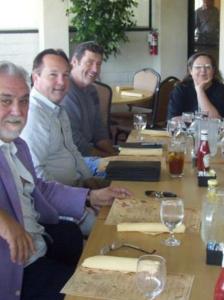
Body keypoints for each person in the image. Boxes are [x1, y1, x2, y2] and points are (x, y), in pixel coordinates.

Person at [0, 61, 131, 299]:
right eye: (6, 100)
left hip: (40, 246)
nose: (18, 111)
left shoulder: (16, 146)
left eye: (24, 101)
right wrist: (4, 221)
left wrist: (90, 196)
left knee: (122, 264)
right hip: (17, 271)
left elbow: (40, 189)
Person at [21, 48, 105, 187]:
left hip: (78, 185)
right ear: (36, 78)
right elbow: (37, 175)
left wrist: (89, 180)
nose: (61, 82)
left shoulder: (57, 109)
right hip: (61, 200)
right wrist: (84, 197)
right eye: (53, 75)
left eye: (65, 75)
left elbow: (72, 150)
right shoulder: (33, 115)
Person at [62, 41, 117, 157]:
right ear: (74, 62)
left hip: (88, 150)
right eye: (89, 63)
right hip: (72, 157)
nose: (95, 70)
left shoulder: (91, 90)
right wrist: (106, 157)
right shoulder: (66, 92)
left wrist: (113, 154)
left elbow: (99, 129)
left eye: (99, 64)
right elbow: (74, 140)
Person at [167, 52, 224, 123]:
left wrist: (200, 91)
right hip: (185, 133)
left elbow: (217, 122)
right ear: (190, 70)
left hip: (212, 133)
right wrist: (201, 118)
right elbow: (173, 120)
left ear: (213, 71)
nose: (203, 70)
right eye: (198, 67)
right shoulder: (181, 89)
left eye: (207, 67)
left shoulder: (221, 90)